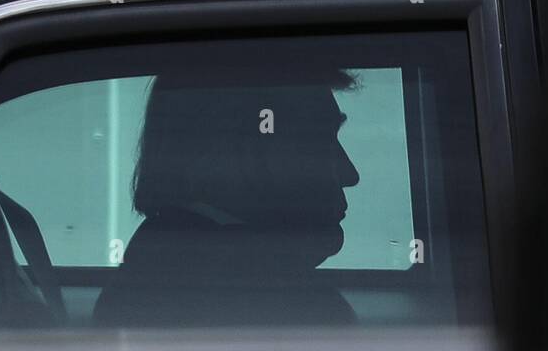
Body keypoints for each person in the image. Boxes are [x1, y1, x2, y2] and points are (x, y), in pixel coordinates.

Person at [93, 65, 361, 327]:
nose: (350, 174)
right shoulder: (299, 312)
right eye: (316, 142)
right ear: (230, 155)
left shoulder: (145, 285)